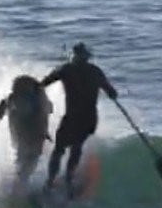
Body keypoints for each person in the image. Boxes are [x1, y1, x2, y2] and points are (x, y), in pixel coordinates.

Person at [41, 42, 117, 197]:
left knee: (59, 150)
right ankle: (68, 179)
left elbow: (43, 83)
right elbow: (112, 92)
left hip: (73, 118)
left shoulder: (66, 69)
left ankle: (50, 182)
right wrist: (111, 94)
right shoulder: (95, 71)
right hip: (89, 119)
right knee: (76, 147)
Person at [0, 75, 53, 189]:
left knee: (28, 159)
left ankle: (22, 181)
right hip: (24, 134)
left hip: (33, 134)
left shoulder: (34, 98)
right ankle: (21, 182)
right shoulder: (12, 98)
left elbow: (47, 111)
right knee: (25, 158)